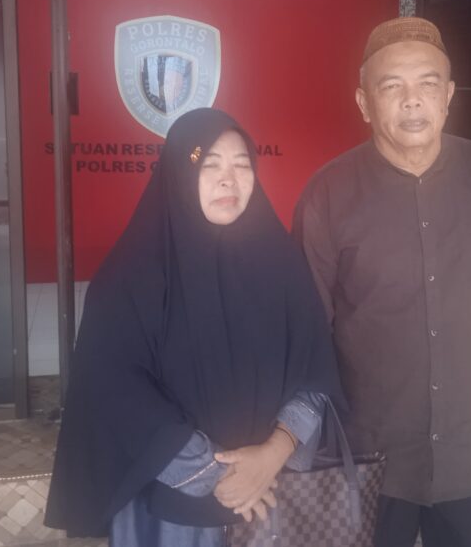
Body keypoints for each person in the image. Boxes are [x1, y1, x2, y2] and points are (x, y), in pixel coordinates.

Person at [293, 17, 471, 547]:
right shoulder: (327, 196)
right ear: (364, 103)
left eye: (428, 84)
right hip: (369, 458)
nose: (413, 101)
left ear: (448, 96)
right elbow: (307, 330)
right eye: (392, 87)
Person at [46, 108, 345, 545]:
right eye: (209, 165)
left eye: (242, 165)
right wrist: (217, 474)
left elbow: (314, 369)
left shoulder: (282, 265)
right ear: (178, 174)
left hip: (273, 494)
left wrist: (273, 453)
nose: (229, 180)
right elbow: (112, 389)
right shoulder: (131, 276)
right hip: (169, 509)